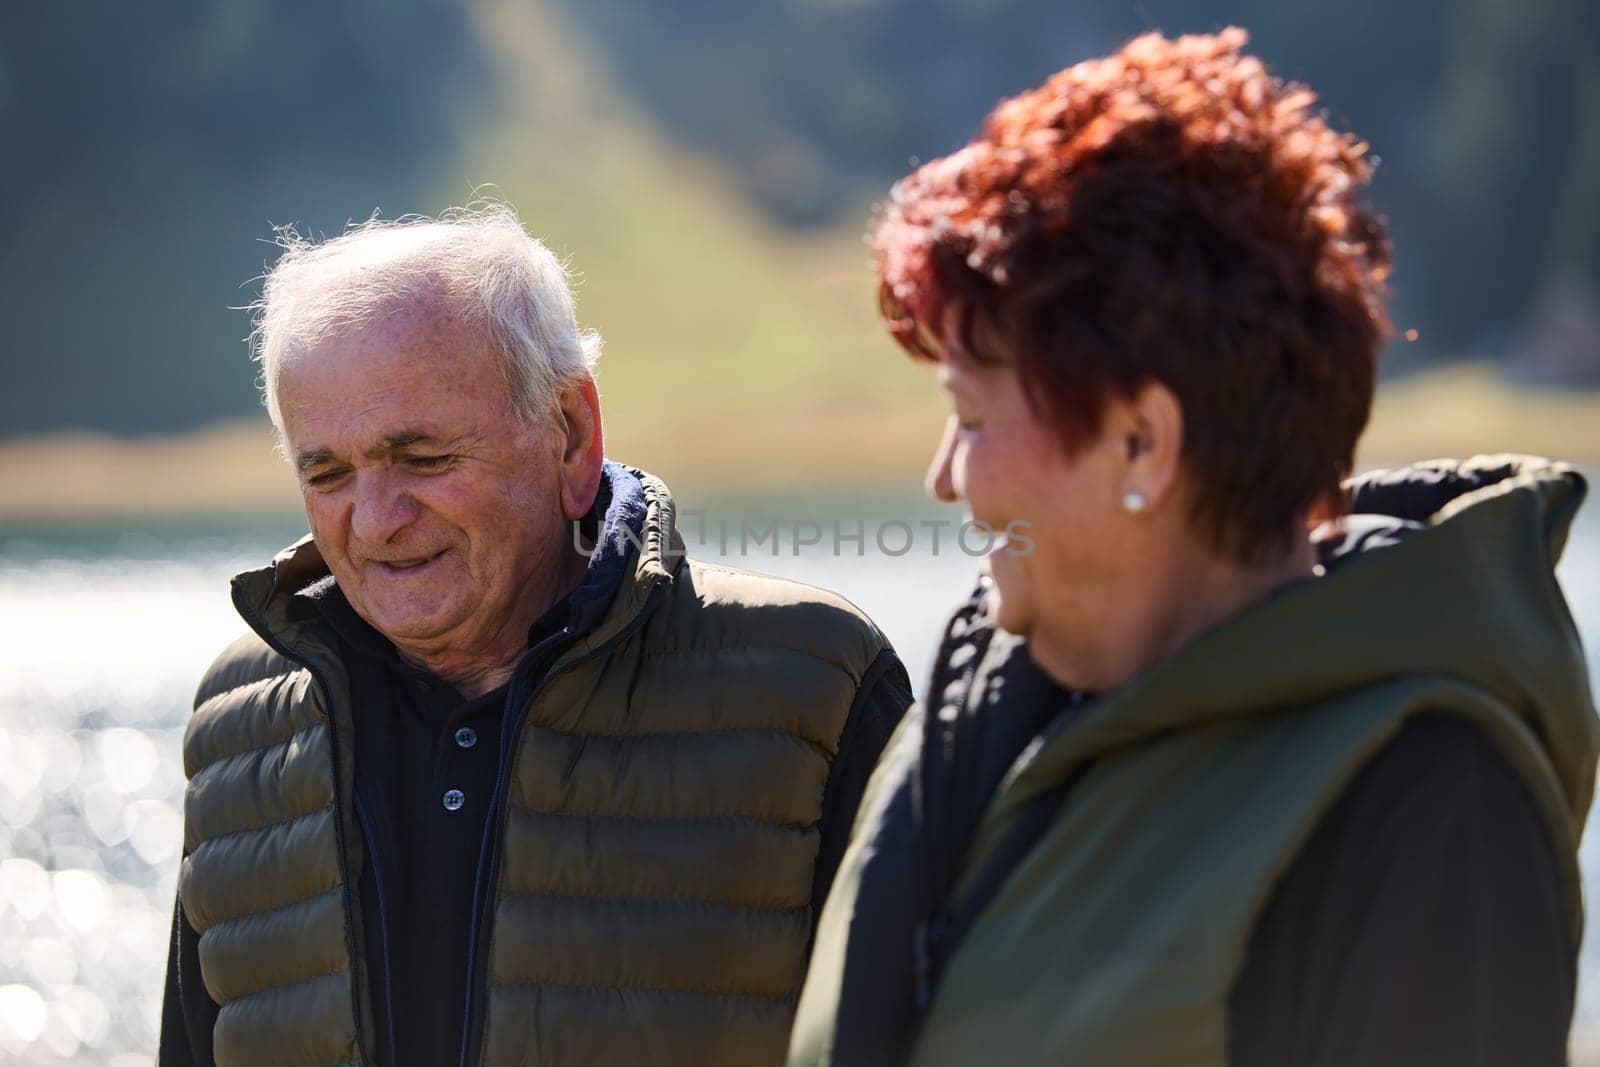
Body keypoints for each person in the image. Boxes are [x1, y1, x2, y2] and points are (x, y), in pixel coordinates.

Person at [789, 28, 1598, 1067]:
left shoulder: (1425, 806)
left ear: (1142, 440)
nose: (944, 475)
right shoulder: (966, 721)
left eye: (973, 417)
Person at [157, 204, 913, 1067]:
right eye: (327, 471)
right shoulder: (241, 721)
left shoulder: (813, 687)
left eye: (424, 458)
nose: (374, 520)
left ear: (571, 434)